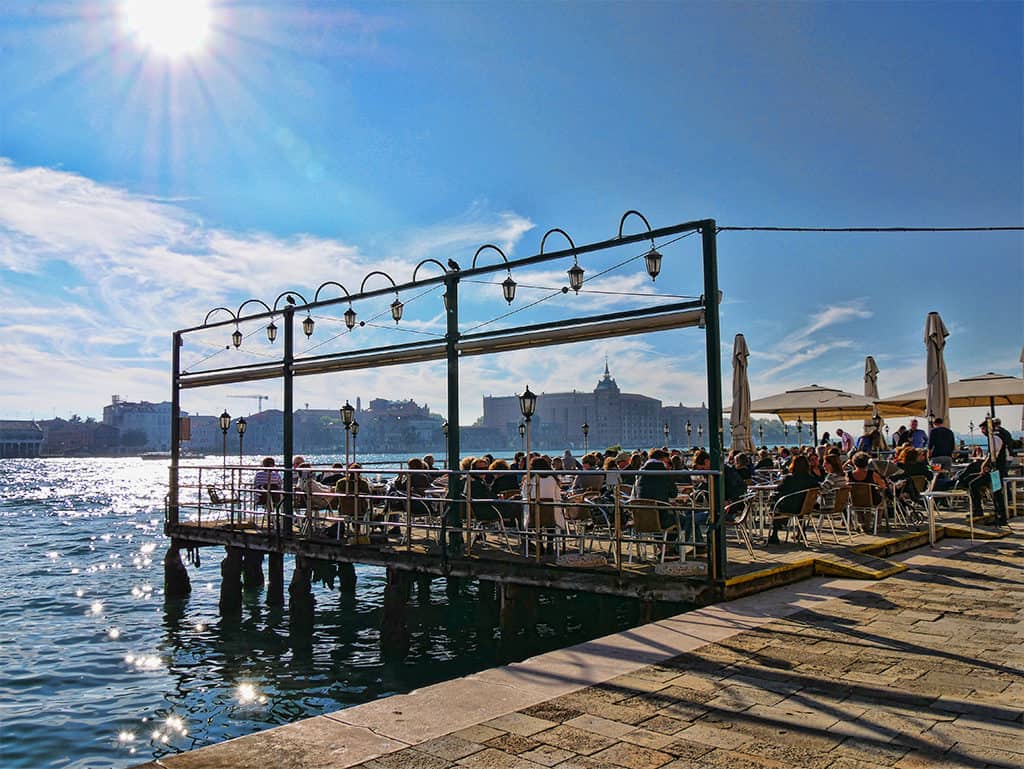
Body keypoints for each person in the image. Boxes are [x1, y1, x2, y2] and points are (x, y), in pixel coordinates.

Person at [767, 455, 820, 545]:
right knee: (791, 503)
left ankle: (775, 534)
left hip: (790, 507)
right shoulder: (811, 479)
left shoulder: (789, 479)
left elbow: (779, 490)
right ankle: (801, 532)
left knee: (775, 505)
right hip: (804, 508)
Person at [971, 420, 1008, 525]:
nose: (982, 431)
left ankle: (1001, 517)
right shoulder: (996, 437)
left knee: (997, 493)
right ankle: (981, 511)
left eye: (983, 429)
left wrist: (984, 465)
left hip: (996, 470)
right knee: (976, 485)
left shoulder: (995, 438)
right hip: (994, 469)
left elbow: (993, 454)